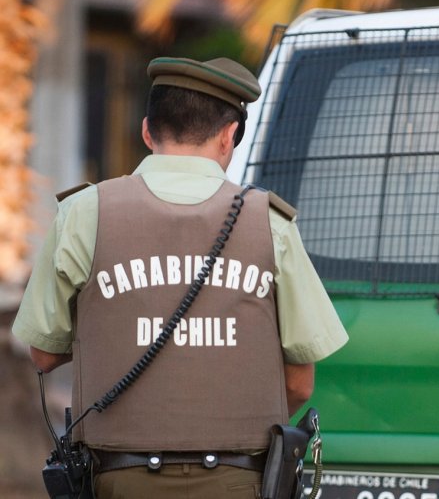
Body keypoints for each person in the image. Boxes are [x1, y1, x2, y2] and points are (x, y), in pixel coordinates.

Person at [12, 56, 349, 498]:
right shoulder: (270, 223)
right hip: (238, 480)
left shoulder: (84, 212)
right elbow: (299, 381)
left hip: (118, 478)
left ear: (147, 130)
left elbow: (42, 355)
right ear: (230, 137)